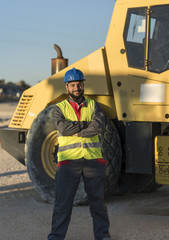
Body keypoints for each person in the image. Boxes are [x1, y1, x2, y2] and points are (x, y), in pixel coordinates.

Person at [48, 68, 111, 240]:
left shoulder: (93, 105)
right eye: (73, 85)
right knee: (63, 203)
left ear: (83, 85)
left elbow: (98, 126)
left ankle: (103, 235)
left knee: (98, 202)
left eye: (80, 84)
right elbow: (63, 128)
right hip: (68, 162)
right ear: (67, 87)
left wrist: (77, 130)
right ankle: (56, 237)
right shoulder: (58, 108)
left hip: (93, 160)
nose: (77, 88)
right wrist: (86, 125)